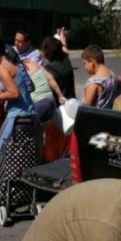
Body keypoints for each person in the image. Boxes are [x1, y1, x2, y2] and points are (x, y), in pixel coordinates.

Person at [0, 36, 40, 209]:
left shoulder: (2, 68)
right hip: (29, 117)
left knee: (2, 157)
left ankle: (5, 198)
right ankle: (19, 195)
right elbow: (27, 88)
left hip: (18, 118)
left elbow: (14, 94)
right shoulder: (14, 63)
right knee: (23, 160)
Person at [41, 34, 77, 162]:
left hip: (56, 116)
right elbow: (65, 51)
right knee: (66, 149)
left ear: (47, 52)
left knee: (52, 151)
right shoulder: (66, 62)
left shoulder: (49, 70)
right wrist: (63, 40)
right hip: (71, 114)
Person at [81, 44, 121, 109]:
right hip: (108, 116)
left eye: (84, 63)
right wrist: (112, 97)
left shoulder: (93, 83)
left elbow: (84, 109)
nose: (84, 67)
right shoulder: (112, 76)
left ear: (91, 62)